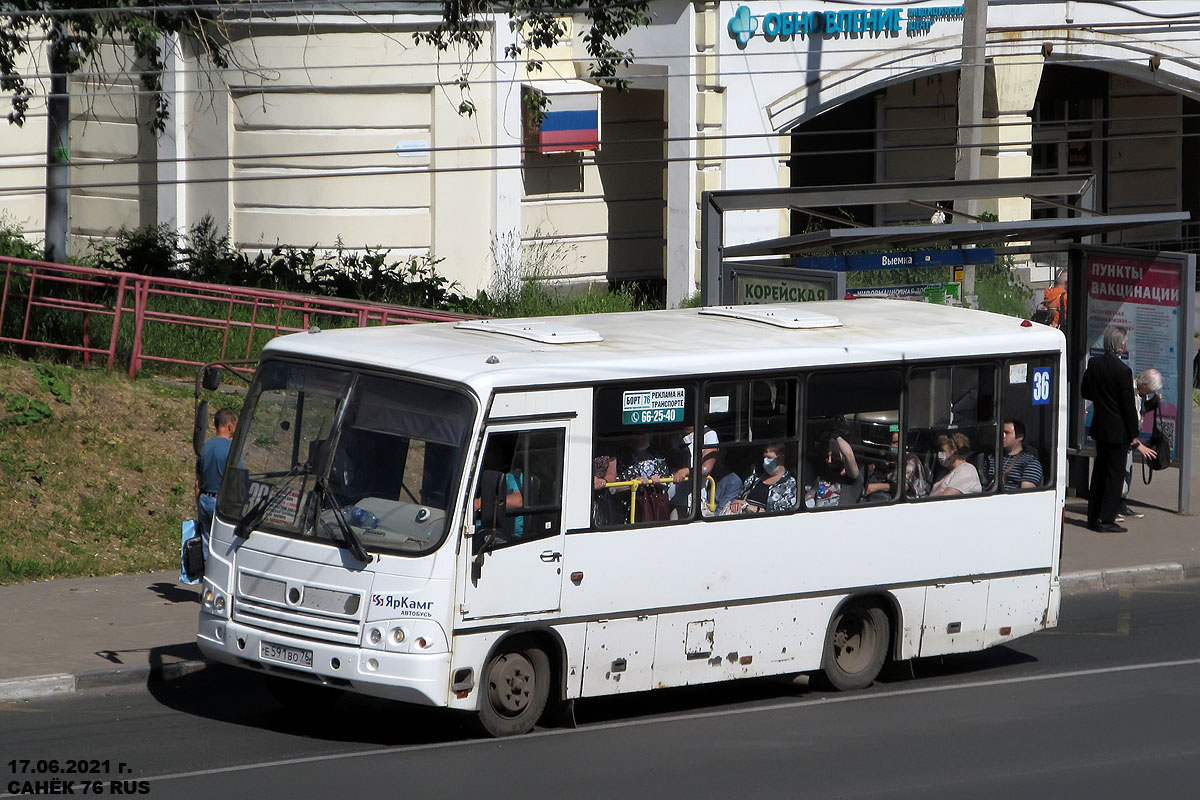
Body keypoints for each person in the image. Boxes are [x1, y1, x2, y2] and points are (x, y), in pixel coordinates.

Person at [1080, 326, 1139, 533]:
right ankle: (1106, 519)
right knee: (1115, 476)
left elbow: (1084, 390)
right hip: (1119, 431)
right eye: (1125, 342)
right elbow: (1128, 406)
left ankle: (1093, 516)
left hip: (1100, 427)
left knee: (1099, 473)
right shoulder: (1123, 371)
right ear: (1121, 345)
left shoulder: (1094, 364)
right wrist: (1134, 433)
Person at [1117, 368, 1163, 521]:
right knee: (1119, 472)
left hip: (1131, 438)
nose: (1150, 392)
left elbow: (1140, 411)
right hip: (1123, 438)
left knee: (1127, 472)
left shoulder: (1142, 394)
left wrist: (1153, 403)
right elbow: (1125, 416)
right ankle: (1112, 506)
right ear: (1143, 384)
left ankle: (1121, 504)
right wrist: (1137, 444)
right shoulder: (1129, 391)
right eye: (1150, 389)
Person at [196, 407, 237, 553]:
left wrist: (199, 502)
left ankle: (206, 570)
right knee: (222, 545)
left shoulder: (204, 447)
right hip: (219, 503)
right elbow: (237, 481)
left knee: (206, 541)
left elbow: (197, 482)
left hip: (203, 499)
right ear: (230, 425)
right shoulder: (232, 449)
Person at [724, 443, 797, 514]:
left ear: (781, 457)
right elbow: (739, 497)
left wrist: (750, 508)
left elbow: (782, 513)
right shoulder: (753, 479)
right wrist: (736, 504)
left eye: (769, 458)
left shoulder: (790, 485)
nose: (765, 461)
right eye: (764, 457)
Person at [864, 426, 930, 501]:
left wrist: (875, 487)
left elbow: (904, 486)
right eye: (891, 443)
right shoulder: (888, 458)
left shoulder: (911, 460)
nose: (894, 446)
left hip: (909, 501)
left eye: (896, 442)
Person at [617, 431, 672, 522]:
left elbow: (667, 483)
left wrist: (659, 482)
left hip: (654, 508)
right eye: (638, 433)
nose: (643, 436)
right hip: (631, 510)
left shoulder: (658, 454)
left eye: (646, 433)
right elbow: (614, 487)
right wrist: (634, 484)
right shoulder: (623, 455)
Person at [670, 425, 718, 517]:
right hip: (672, 498)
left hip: (693, 502)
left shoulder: (708, 435)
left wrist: (686, 471)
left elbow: (706, 469)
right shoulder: (675, 436)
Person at [804, 432, 863, 508]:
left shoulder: (854, 482)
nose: (829, 461)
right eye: (827, 457)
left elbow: (848, 454)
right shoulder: (821, 476)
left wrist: (836, 436)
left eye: (834, 456)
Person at [986, 419, 1044, 493]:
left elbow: (1026, 494)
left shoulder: (1030, 462)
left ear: (1020, 437)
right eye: (1001, 432)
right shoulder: (991, 458)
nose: (1002, 436)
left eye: (1007, 433)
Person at [930, 432, 982, 497]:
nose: (939, 454)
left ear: (955, 453)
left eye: (943, 451)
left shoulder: (966, 470)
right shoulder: (944, 473)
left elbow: (945, 496)